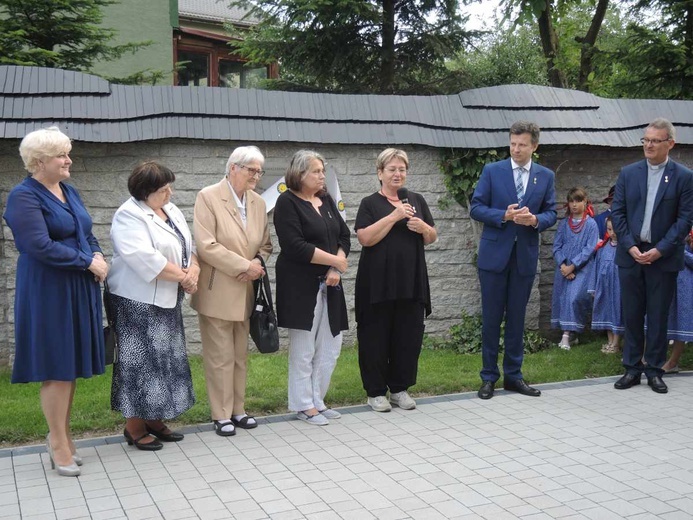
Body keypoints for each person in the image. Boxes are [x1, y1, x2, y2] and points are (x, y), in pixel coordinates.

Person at [3, 126, 108, 476]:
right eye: (61, 155)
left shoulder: (68, 189)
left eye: (67, 153)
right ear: (39, 161)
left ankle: (60, 435)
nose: (69, 160)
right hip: (48, 289)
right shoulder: (24, 196)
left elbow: (86, 231)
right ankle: (58, 443)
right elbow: (37, 245)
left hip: (77, 286)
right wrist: (86, 261)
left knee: (70, 366)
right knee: (56, 367)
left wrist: (97, 254)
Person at [109, 161, 197, 450]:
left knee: (164, 362)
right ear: (144, 191)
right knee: (139, 364)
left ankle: (154, 418)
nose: (169, 193)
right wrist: (184, 277)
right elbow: (144, 258)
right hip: (137, 302)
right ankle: (133, 426)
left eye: (170, 186)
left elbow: (188, 245)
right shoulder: (128, 216)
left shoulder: (170, 210)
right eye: (162, 189)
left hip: (168, 298)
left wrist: (193, 270)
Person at [470, 121, 557, 400]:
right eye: (512, 143)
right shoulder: (493, 171)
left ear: (534, 146)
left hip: (524, 257)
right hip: (494, 257)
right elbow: (476, 207)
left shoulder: (545, 176)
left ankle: (513, 376)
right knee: (492, 319)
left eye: (522, 144)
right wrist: (503, 216)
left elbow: (552, 213)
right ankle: (488, 378)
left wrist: (535, 220)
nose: (516, 149)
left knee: (518, 319)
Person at [191, 146, 272, 436]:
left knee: (240, 354)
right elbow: (206, 245)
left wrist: (257, 263)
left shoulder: (259, 203)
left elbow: (266, 244)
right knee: (219, 355)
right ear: (233, 168)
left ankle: (238, 409)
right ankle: (221, 414)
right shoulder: (208, 196)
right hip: (218, 289)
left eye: (259, 171)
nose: (256, 176)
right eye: (252, 170)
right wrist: (243, 266)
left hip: (247, 290)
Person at [611, 117, 693, 394]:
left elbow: (684, 220)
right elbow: (617, 213)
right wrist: (630, 245)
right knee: (632, 314)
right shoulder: (628, 173)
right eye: (645, 140)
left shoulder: (684, 177)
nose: (648, 145)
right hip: (631, 254)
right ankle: (632, 369)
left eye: (655, 141)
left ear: (670, 143)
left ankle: (655, 370)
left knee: (657, 315)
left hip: (663, 257)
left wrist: (660, 249)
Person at [355, 148, 437, 412]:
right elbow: (365, 238)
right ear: (380, 173)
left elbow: (432, 236)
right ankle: (376, 391)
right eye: (391, 169)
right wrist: (394, 216)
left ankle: (400, 388)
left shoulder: (417, 200)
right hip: (377, 283)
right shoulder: (370, 204)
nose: (397, 174)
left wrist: (424, 228)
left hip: (411, 281)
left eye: (402, 169)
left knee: (408, 336)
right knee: (375, 337)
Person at [274, 150, 351, 425]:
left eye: (322, 170)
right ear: (300, 174)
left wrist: (334, 267)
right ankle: (303, 404)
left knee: (331, 344)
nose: (322, 176)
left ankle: (318, 399)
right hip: (300, 286)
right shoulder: (287, 203)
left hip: (331, 282)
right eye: (317, 171)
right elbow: (295, 246)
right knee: (304, 348)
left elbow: (344, 234)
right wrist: (336, 262)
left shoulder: (326, 198)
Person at [550, 187, 599, 349]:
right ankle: (571, 335)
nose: (574, 204)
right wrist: (563, 265)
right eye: (571, 201)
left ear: (585, 202)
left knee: (574, 298)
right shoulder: (564, 224)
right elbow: (557, 246)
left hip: (582, 269)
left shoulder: (591, 224)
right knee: (563, 298)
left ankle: (566, 336)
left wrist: (573, 266)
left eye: (578, 201)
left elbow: (589, 249)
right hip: (563, 269)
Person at [589, 217, 623, 354]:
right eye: (609, 229)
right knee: (606, 312)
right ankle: (610, 341)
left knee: (617, 313)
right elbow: (595, 268)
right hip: (604, 287)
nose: (612, 232)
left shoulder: (625, 248)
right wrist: (593, 287)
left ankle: (616, 343)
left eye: (615, 229)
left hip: (619, 288)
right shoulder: (603, 248)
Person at [662, 229, 693, 373]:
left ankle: (673, 362)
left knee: (682, 321)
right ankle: (650, 357)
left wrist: (679, 249)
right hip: (668, 276)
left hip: (686, 283)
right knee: (661, 318)